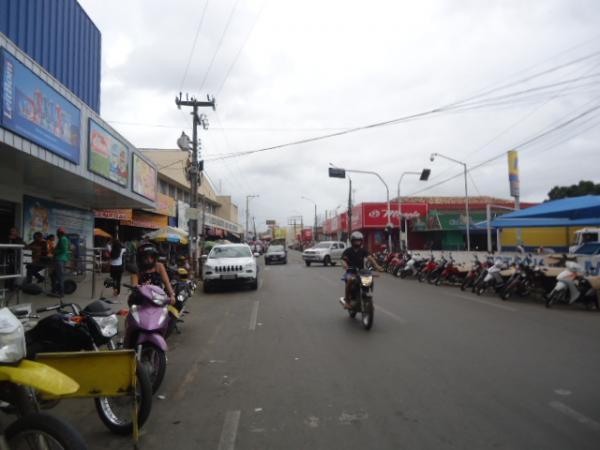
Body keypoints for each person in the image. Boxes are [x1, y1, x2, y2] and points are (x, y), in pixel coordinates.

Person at [341, 231, 383, 309]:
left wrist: (377, 266)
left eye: (359, 240)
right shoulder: (348, 251)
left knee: (369, 278)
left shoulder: (363, 250)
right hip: (351, 271)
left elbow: (370, 258)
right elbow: (343, 260)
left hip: (361, 272)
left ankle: (365, 292)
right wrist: (345, 265)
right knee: (350, 280)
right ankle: (347, 302)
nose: (357, 242)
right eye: (356, 240)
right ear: (352, 241)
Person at [50, 227, 71, 297]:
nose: (57, 234)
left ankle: (61, 293)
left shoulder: (63, 239)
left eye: (57, 233)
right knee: (53, 275)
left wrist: (54, 251)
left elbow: (63, 250)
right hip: (60, 259)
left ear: (59, 233)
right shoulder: (63, 239)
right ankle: (54, 289)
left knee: (60, 277)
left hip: (60, 259)